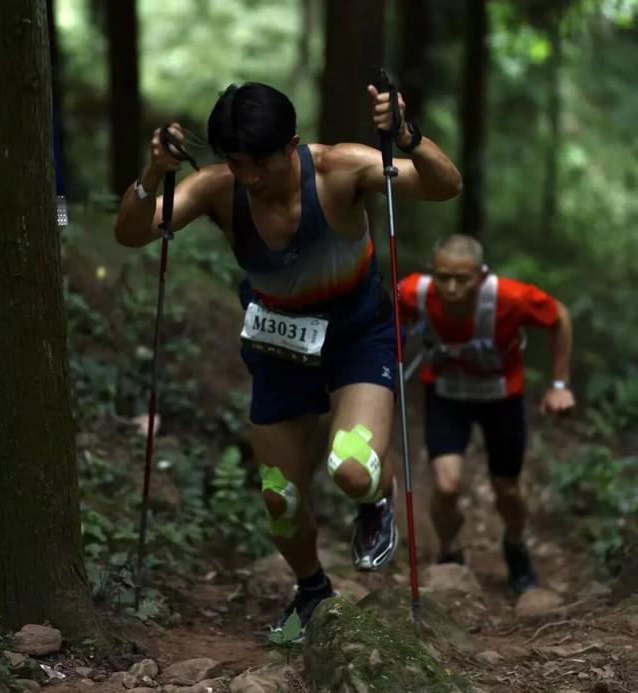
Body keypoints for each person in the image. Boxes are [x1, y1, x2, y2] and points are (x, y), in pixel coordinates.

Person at [115, 81, 461, 634]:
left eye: (262, 163)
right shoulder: (217, 188)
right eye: (237, 163)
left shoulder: (339, 169)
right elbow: (132, 234)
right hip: (279, 348)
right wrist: (154, 173)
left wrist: (407, 136)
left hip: (357, 337)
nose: (250, 177)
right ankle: (311, 590)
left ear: (292, 145)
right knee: (279, 495)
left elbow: (444, 186)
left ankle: (377, 498)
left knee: (352, 469)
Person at [399, 234, 575, 594]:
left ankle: (515, 544)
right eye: (443, 277)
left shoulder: (510, 298)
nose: (451, 288)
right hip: (447, 395)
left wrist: (559, 384)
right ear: (432, 271)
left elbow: (559, 316)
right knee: (446, 486)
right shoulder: (413, 292)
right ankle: (450, 552)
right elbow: (386, 323)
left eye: (462, 279)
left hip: (501, 397)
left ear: (480, 276)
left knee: (507, 489)